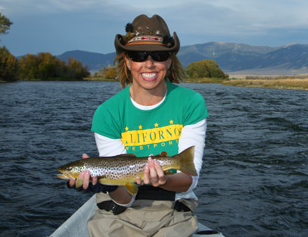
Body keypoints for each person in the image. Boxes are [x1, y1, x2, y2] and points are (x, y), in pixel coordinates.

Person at [69, 14, 208, 237]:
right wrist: (110, 185)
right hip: (120, 212)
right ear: (127, 60)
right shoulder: (107, 114)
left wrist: (163, 180)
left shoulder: (191, 103)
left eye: (159, 55)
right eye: (138, 55)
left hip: (174, 211)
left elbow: (188, 181)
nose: (149, 63)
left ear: (170, 60)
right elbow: (124, 198)